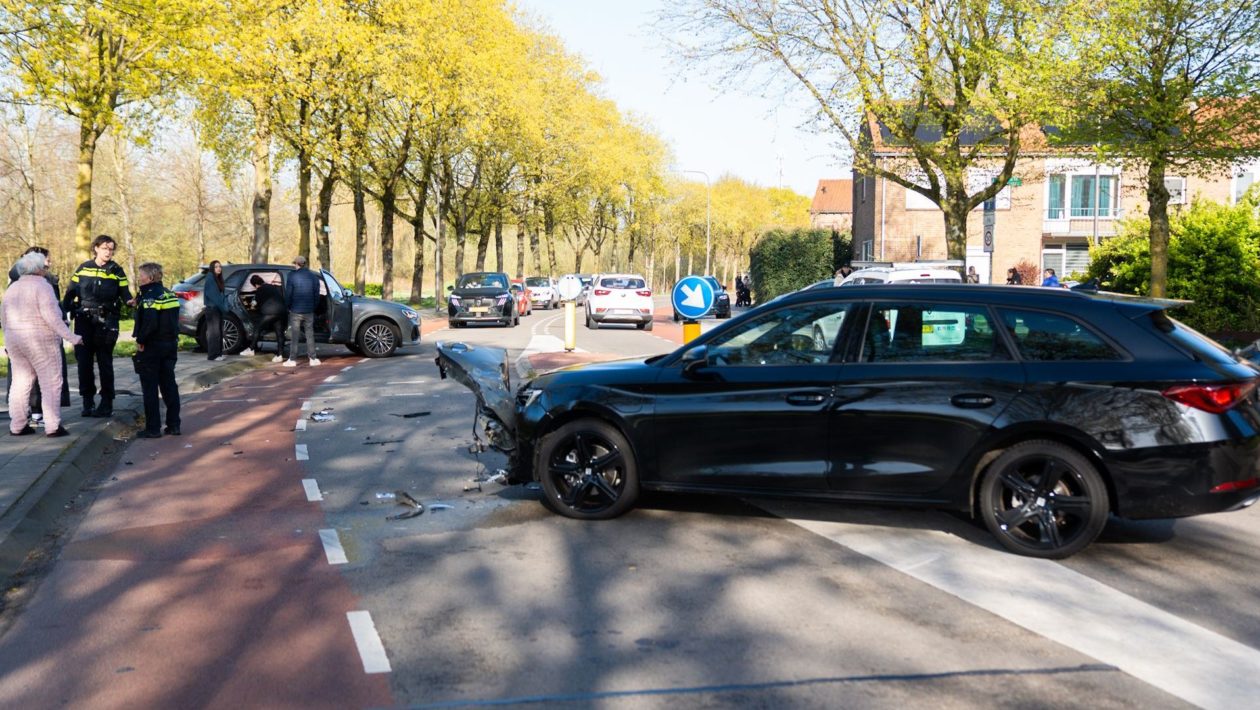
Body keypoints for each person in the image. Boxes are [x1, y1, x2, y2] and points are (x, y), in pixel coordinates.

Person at [2, 252, 83, 437]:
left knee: (20, 382)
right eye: (45, 266)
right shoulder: (42, 286)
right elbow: (52, 317)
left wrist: (8, 340)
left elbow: (4, 318)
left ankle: (18, 425)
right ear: (39, 269)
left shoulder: (12, 288)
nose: (47, 269)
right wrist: (72, 337)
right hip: (41, 340)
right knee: (51, 382)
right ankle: (53, 426)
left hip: (15, 340)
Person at [62, 234, 131, 418]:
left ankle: (107, 402)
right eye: (105, 248)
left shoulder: (117, 270)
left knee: (105, 362)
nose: (108, 252)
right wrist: (63, 312)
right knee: (84, 363)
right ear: (96, 249)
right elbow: (70, 293)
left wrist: (132, 301)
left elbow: (125, 294)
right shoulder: (84, 268)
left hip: (107, 321)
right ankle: (87, 401)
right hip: (84, 321)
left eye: (111, 249)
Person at [132, 262, 181, 438]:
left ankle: (153, 428)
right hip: (170, 345)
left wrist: (141, 340)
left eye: (141, 276)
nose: (139, 279)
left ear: (150, 277)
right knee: (169, 385)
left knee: (150, 388)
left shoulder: (150, 297)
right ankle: (174, 424)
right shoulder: (169, 294)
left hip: (152, 347)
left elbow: (150, 323)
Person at [283, 255, 321, 367]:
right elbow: (317, 296)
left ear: (296, 264)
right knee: (310, 334)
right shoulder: (313, 277)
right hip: (309, 311)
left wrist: (288, 307)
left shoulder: (292, 276)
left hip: (295, 310)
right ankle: (313, 358)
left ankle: (292, 359)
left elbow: (288, 294)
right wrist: (313, 307)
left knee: (295, 335)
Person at [241, 274, 287, 362]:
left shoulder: (259, 290)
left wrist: (252, 306)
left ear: (255, 285)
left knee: (257, 328)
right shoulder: (272, 287)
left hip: (270, 312)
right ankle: (279, 355)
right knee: (279, 333)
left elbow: (255, 304)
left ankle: (251, 349)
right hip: (281, 311)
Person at [202, 260, 227, 361]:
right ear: (212, 268)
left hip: (216, 309)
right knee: (214, 333)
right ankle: (213, 355)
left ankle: (218, 354)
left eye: (220, 266)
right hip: (212, 309)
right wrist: (223, 307)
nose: (219, 268)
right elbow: (214, 296)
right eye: (216, 267)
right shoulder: (210, 278)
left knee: (219, 331)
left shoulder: (217, 279)